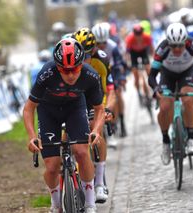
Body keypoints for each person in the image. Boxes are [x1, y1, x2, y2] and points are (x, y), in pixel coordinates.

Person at [23, 38, 105, 213]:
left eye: (74, 69)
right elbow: (29, 109)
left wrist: (97, 130)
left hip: (75, 108)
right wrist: (31, 137)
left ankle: (90, 204)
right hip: (48, 111)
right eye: (64, 70)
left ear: (81, 64)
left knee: (82, 152)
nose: (70, 75)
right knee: (52, 166)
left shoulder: (90, 75)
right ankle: (56, 204)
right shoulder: (47, 73)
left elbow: (99, 108)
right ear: (57, 66)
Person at [148, 23, 193, 165]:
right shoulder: (162, 49)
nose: (177, 49)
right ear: (168, 43)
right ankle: (166, 142)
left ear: (185, 42)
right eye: (173, 46)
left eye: (180, 45)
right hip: (167, 75)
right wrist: (156, 89)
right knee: (165, 106)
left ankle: (191, 138)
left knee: (188, 99)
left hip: (186, 73)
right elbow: (151, 77)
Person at [73, 27, 115, 203]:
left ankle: (99, 183)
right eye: (82, 54)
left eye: (89, 54)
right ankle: (73, 177)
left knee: (95, 129)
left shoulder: (101, 60)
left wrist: (105, 109)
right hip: (74, 95)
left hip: (94, 96)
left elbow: (107, 91)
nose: (85, 59)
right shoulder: (69, 54)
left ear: (95, 49)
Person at [92, 22, 128, 138]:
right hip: (99, 73)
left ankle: (121, 121)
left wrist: (120, 78)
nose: (102, 45)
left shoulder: (113, 47)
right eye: (99, 43)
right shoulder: (91, 48)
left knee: (117, 94)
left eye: (104, 42)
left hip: (112, 71)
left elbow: (119, 64)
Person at [125, 23, 154, 107]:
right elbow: (127, 53)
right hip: (134, 53)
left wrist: (154, 58)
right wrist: (129, 63)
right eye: (137, 35)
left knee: (148, 69)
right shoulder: (130, 39)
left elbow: (152, 49)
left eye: (140, 35)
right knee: (136, 74)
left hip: (143, 52)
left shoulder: (147, 37)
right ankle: (138, 91)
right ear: (134, 34)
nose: (138, 37)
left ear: (142, 33)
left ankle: (150, 87)